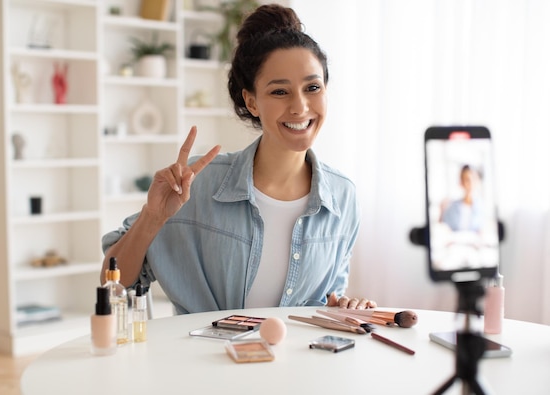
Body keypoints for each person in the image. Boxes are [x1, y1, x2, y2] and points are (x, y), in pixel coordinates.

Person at [101, 4, 376, 314]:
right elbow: (113, 284)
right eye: (279, 92)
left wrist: (346, 306)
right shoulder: (197, 185)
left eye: (312, 87)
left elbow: (327, 300)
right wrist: (152, 217)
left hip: (298, 362)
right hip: (204, 360)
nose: (300, 107)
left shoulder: (343, 196)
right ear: (251, 101)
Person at [441, 164, 484, 232]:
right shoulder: (452, 207)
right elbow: (444, 227)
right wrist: (441, 211)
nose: (471, 183)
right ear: (461, 182)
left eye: (473, 179)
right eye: (467, 180)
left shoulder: (482, 207)